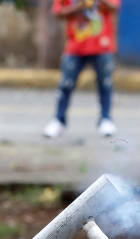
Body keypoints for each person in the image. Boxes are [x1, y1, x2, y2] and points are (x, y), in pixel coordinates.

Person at [43, 0, 120, 138]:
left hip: (102, 45)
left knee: (105, 83)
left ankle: (106, 119)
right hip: (75, 46)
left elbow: (114, 7)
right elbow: (58, 13)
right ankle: (58, 120)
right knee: (65, 85)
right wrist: (78, 7)